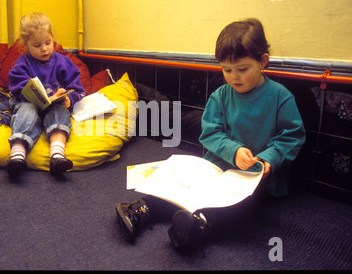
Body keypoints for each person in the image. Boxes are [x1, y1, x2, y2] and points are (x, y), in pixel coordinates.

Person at [115, 18, 306, 251]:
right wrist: (232, 151)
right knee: (184, 182)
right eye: (227, 70)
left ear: (263, 61)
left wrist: (269, 159)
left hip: (255, 177)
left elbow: (291, 136)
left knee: (240, 204)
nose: (234, 77)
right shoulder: (220, 96)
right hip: (218, 164)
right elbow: (211, 132)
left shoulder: (280, 97)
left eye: (242, 69)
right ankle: (144, 209)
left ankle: (201, 225)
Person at [7, 12, 85, 177]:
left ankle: (57, 155)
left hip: (53, 106)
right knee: (26, 110)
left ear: (52, 39)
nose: (44, 48)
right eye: (37, 45)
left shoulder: (64, 62)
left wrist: (68, 100)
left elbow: (78, 89)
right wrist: (37, 98)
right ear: (25, 45)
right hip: (28, 105)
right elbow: (16, 88)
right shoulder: (22, 63)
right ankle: (17, 155)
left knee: (59, 111)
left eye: (48, 43)